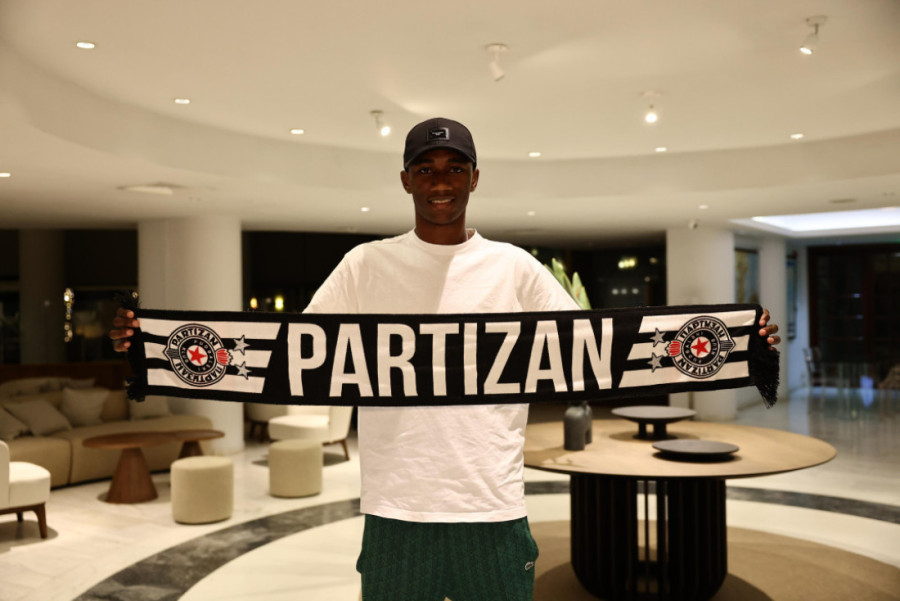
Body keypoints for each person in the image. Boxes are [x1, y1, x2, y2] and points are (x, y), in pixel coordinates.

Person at [111, 117, 781, 600]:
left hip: (491, 507)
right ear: (405, 179)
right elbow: (291, 354)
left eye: (454, 168)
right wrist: (150, 346)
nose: (441, 182)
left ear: (474, 178)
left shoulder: (514, 268)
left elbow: (597, 346)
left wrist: (742, 343)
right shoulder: (365, 266)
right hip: (396, 510)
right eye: (427, 169)